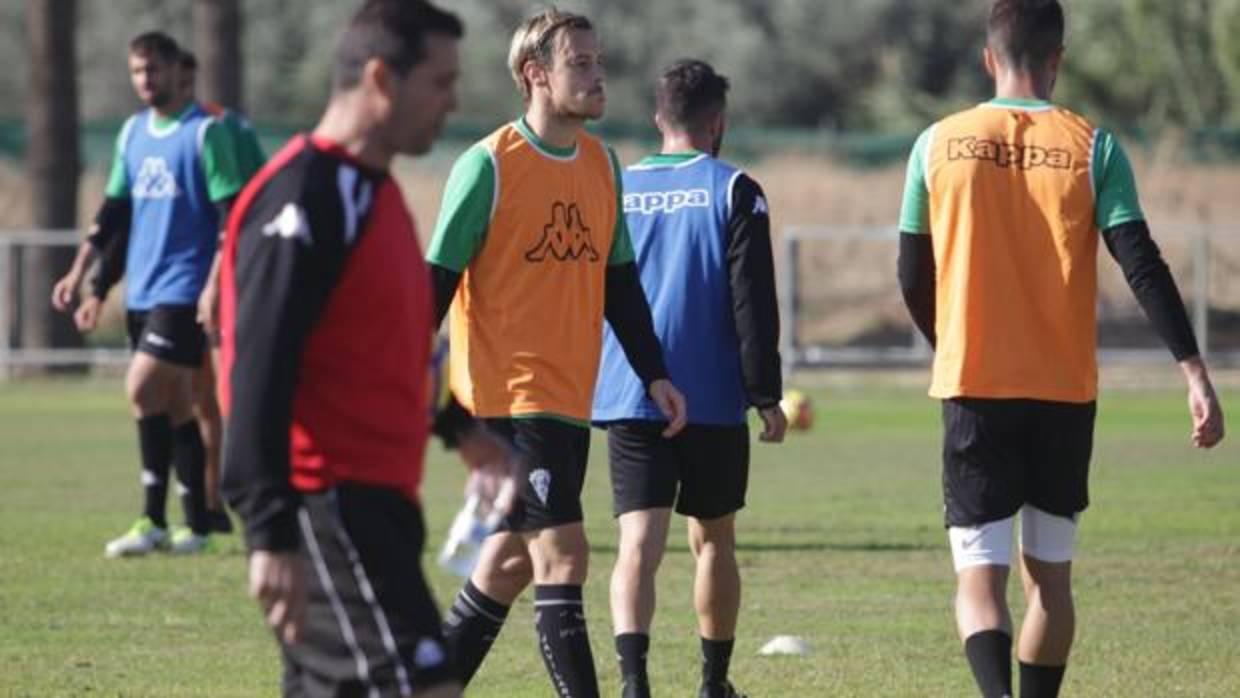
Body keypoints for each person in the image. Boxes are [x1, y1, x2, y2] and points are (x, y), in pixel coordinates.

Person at [896, 2, 1227, 696]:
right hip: (1062, 391)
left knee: (978, 577)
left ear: (989, 58)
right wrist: (1193, 371)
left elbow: (910, 271)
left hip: (975, 382)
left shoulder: (936, 143)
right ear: (1058, 59)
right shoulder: (1093, 146)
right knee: (1049, 578)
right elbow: (1142, 262)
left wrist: (948, 339)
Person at [218, 2, 516, 696]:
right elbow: (258, 364)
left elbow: (386, 347)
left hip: (379, 508)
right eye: (439, 83)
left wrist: (458, 429)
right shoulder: (307, 195)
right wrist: (268, 531)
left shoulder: (374, 194)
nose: (453, 102)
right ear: (381, 77)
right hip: (325, 509)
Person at [426, 8, 687, 697]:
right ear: (536, 75)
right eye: (581, 64)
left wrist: (654, 373)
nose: (598, 76)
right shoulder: (486, 165)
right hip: (503, 399)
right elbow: (432, 288)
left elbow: (619, 282)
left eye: (600, 63)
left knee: (507, 567)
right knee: (564, 556)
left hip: (570, 399)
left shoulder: (602, 166)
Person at [591, 59, 784, 698]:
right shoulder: (734, 190)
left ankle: (633, 682)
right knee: (713, 540)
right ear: (717, 122)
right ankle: (713, 683)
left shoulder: (615, 188)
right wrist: (766, 395)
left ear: (658, 119)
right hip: (710, 395)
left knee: (636, 544)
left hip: (629, 391)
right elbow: (751, 301)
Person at [50, 30, 246, 556]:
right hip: (143, 288)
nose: (145, 81)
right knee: (175, 402)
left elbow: (231, 219)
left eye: (153, 70)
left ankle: (160, 519)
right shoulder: (132, 134)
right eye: (137, 72)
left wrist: (212, 287)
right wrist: (86, 280)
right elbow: (114, 215)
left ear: (175, 70)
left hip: (185, 289)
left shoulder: (208, 133)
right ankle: (183, 525)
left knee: (140, 387)